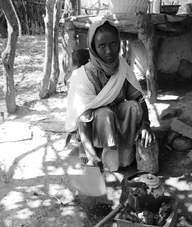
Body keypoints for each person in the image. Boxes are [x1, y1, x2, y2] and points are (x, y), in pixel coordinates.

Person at [65, 19, 155, 172]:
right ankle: (100, 157)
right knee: (105, 114)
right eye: (101, 46)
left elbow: (138, 99)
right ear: (93, 48)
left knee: (132, 107)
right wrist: (90, 153)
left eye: (113, 44)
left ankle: (124, 155)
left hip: (114, 120)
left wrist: (146, 124)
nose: (109, 51)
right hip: (91, 128)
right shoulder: (84, 76)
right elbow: (83, 117)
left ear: (119, 43)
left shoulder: (122, 67)